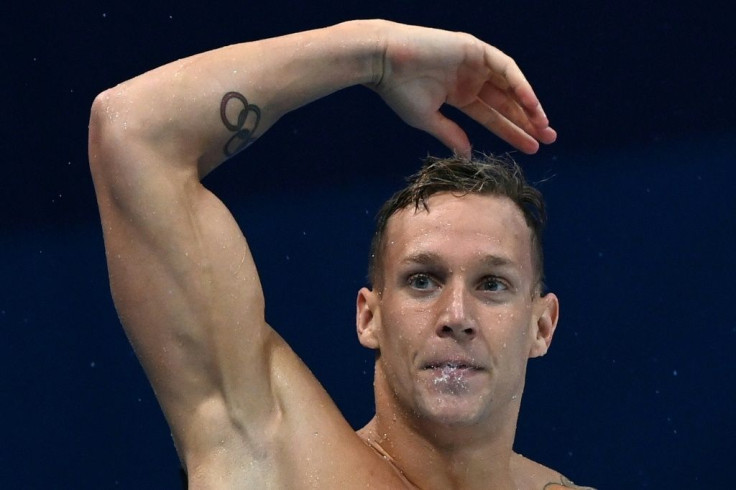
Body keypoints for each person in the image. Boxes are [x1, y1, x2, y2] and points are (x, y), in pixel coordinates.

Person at [88, 19, 594, 489]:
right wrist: (373, 52)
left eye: (492, 284)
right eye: (423, 280)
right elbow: (133, 131)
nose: (456, 316)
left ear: (542, 326)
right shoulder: (274, 460)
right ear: (369, 316)